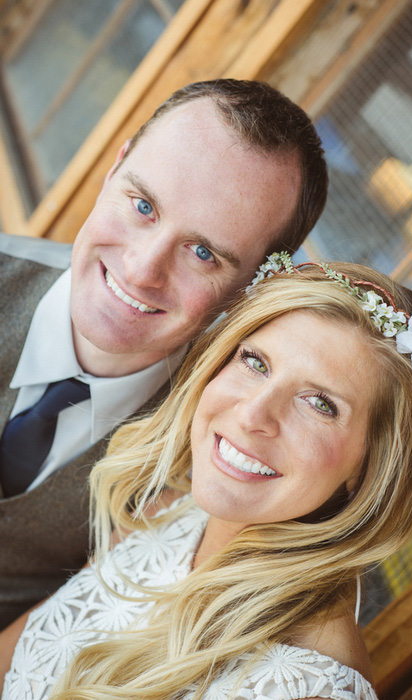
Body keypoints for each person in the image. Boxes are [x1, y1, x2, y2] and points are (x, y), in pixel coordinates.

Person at [2, 257, 412, 699]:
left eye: (320, 403)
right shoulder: (172, 507)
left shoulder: (304, 687)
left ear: (370, 467)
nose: (251, 414)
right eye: (255, 362)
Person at [0, 79, 328, 628]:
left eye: (203, 252)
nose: (141, 269)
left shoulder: (223, 445)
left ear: (251, 288)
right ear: (114, 169)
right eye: (143, 205)